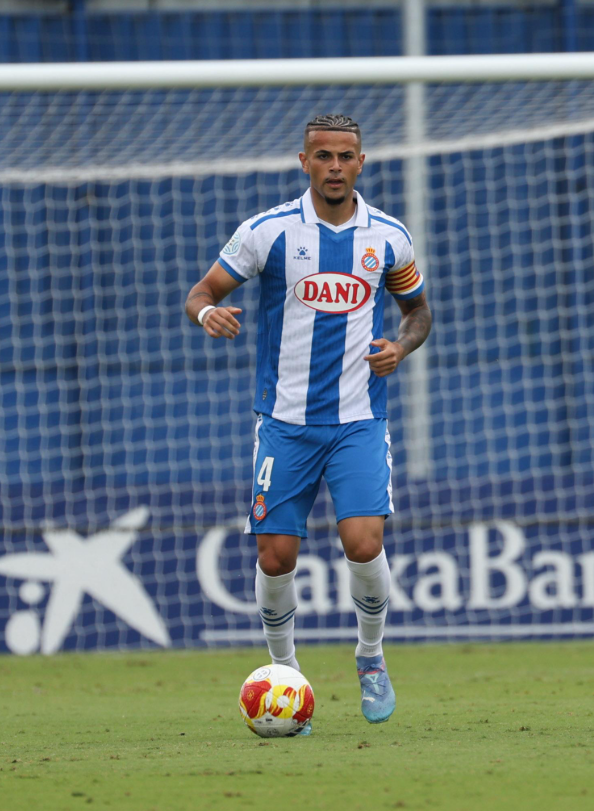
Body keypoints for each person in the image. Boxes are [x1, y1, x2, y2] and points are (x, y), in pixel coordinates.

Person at [184, 114, 431, 730]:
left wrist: (401, 346)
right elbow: (201, 292)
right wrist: (206, 315)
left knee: (364, 543)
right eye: (323, 156)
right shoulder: (267, 233)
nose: (335, 166)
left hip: (358, 422)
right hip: (285, 424)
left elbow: (419, 312)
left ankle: (370, 658)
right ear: (304, 162)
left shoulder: (389, 238)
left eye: (346, 156)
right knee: (275, 557)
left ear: (362, 162)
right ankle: (284, 674)